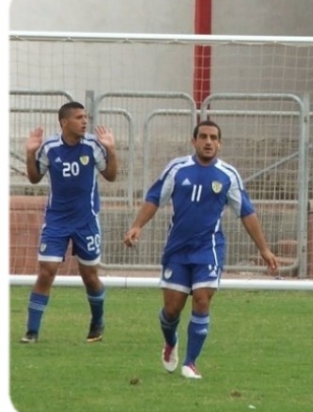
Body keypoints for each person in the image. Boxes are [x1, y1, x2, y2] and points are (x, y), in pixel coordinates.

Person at [123, 119, 279, 379]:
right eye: (203, 137)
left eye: (213, 138)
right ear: (193, 141)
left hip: (209, 248)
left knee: (202, 299)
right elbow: (154, 198)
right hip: (177, 249)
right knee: (172, 310)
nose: (208, 142)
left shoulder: (228, 175)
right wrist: (137, 226)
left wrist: (264, 249)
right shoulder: (177, 168)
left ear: (220, 143)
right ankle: (170, 341)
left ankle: (190, 363)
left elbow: (246, 212)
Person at [21, 101, 118, 343]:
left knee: (90, 276)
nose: (85, 121)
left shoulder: (93, 146)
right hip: (56, 221)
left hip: (86, 221)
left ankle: (97, 322)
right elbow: (34, 178)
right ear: (64, 122)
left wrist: (111, 150)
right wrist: (30, 153)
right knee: (47, 272)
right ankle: (32, 332)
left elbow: (111, 176)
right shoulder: (50, 148)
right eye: (79, 117)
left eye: (85, 117)